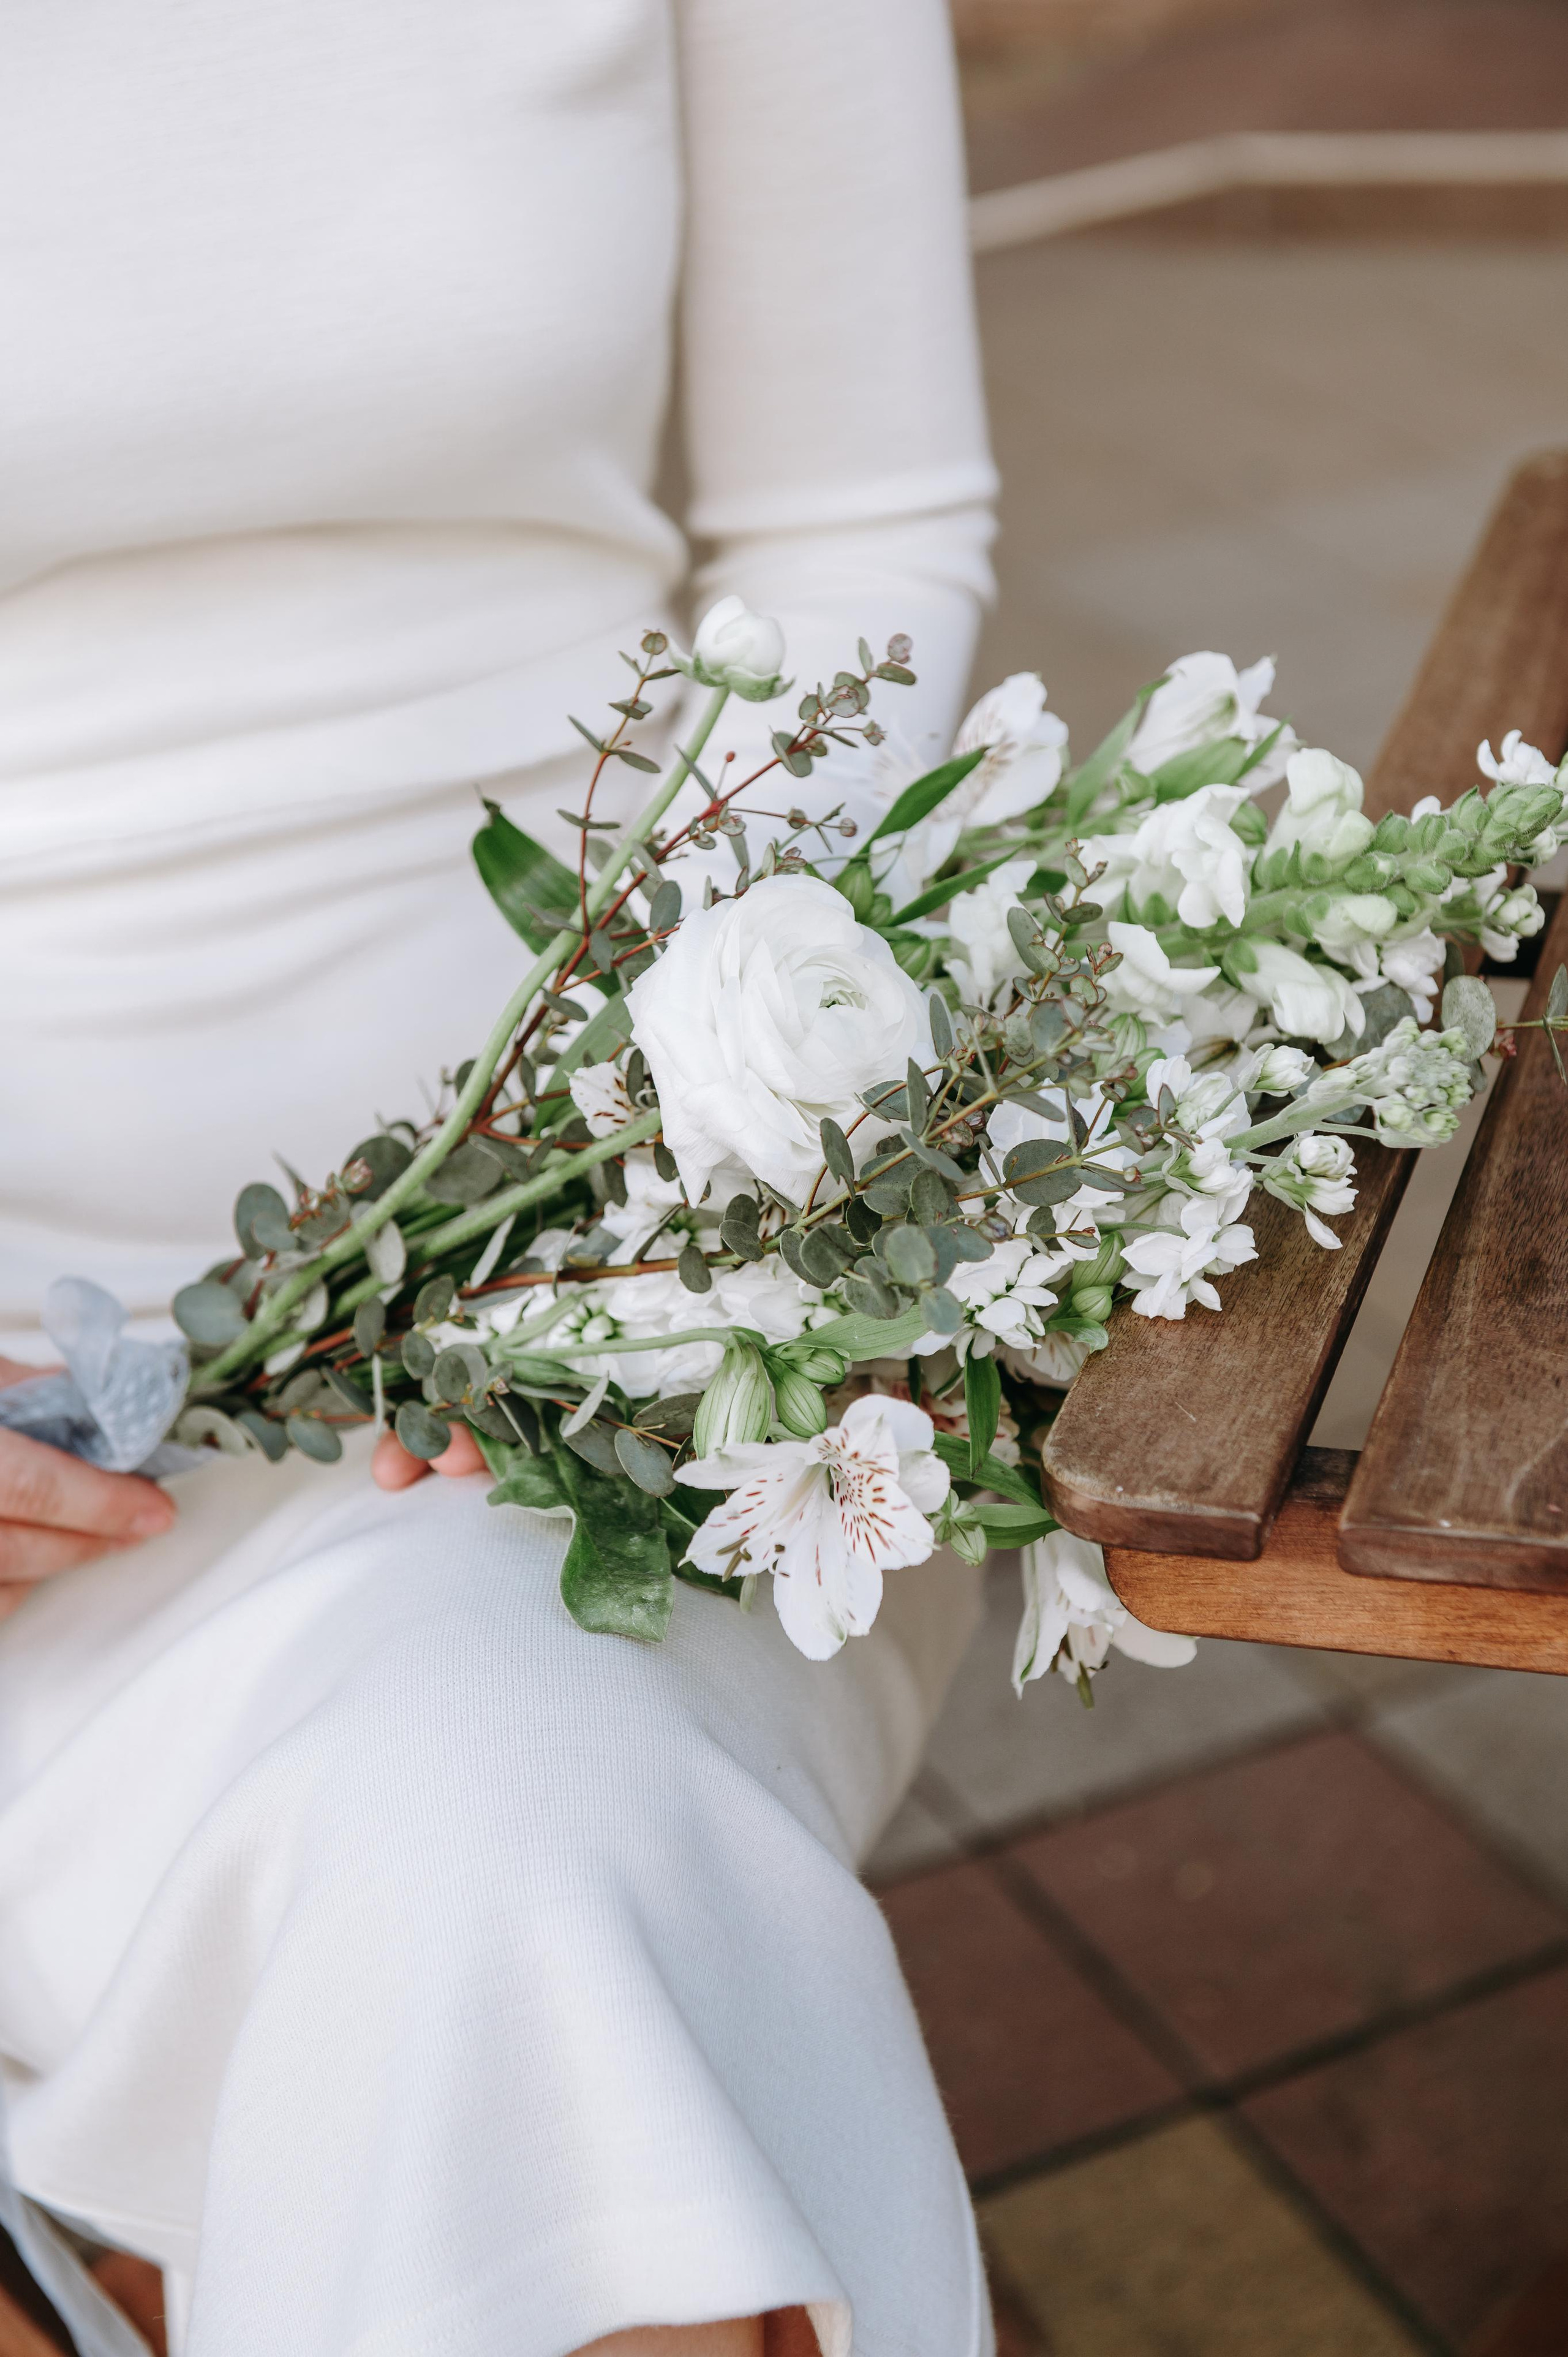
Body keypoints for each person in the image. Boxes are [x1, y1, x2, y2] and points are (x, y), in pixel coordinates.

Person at [0, 6, 999, 2353]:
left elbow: (863, 516)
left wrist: (700, 1119)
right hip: (42, 1449)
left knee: (516, 1862)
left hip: (642, 1325)